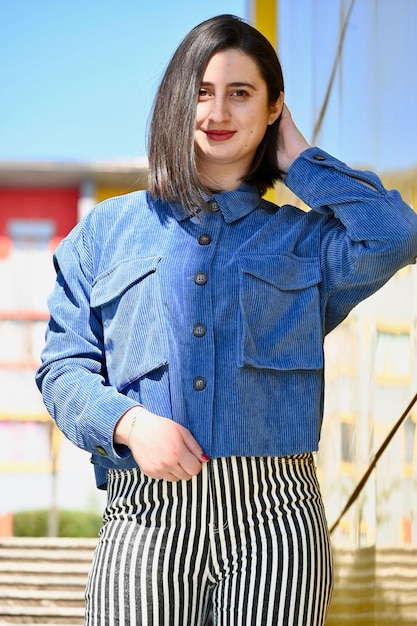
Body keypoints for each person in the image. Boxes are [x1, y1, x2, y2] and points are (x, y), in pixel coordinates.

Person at [36, 14, 417, 626]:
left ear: (273, 110)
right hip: (145, 518)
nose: (217, 111)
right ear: (176, 103)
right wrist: (129, 424)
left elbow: (396, 234)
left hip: (275, 520)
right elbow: (62, 369)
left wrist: (302, 163)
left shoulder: (305, 241)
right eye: (202, 92)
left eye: (241, 93)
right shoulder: (106, 231)